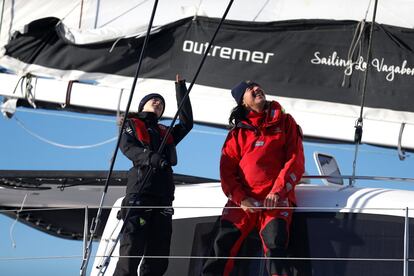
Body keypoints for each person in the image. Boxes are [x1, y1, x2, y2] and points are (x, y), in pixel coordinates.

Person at [202, 81, 305, 276]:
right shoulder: (237, 133)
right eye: (250, 90)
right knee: (220, 249)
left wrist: (277, 191)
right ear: (243, 102)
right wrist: (241, 199)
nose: (257, 89)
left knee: (276, 248)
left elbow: (295, 160)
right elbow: (227, 171)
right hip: (242, 202)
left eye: (258, 86)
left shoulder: (285, 122)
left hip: (275, 201)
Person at [113, 74, 193, 276]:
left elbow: (186, 124)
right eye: (153, 100)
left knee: (158, 257)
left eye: (161, 103)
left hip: (163, 198)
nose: (158, 102)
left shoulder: (165, 132)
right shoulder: (131, 124)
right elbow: (128, 148)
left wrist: (180, 88)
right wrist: (151, 158)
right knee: (132, 251)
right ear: (142, 106)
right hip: (140, 194)